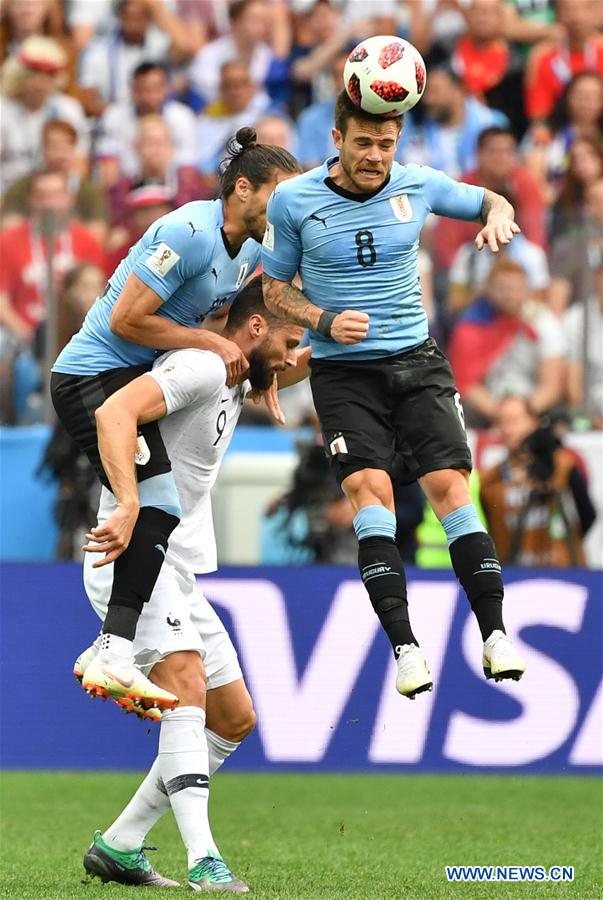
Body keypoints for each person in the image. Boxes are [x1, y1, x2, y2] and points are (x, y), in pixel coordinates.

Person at [261, 88, 526, 699]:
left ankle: (494, 634)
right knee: (370, 493)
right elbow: (274, 291)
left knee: (451, 490)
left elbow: (489, 197)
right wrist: (324, 321)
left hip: (416, 363)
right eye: (364, 143)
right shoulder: (295, 201)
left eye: (386, 144)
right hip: (344, 373)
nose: (376, 156)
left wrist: (498, 212)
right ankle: (405, 648)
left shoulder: (419, 184)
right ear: (336, 141)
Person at [50, 130, 301, 711]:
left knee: (165, 506)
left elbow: (267, 325)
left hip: (133, 377)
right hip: (90, 378)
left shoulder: (251, 252)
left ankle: (111, 647)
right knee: (153, 503)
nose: (284, 212)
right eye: (278, 197)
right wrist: (206, 344)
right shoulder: (186, 232)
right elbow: (125, 321)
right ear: (243, 189)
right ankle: (113, 648)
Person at [76, 277, 307, 891]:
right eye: (288, 341)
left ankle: (120, 845)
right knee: (184, 685)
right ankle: (204, 860)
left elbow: (291, 366)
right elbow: (115, 411)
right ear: (253, 329)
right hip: (134, 557)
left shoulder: (238, 368)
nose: (288, 359)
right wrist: (126, 501)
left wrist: (349, 344)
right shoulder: (204, 365)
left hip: (177, 569)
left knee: (232, 720)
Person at [479, 395, 596, 566]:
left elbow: (588, 515)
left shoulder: (563, 466)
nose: (508, 429)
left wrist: (566, 549)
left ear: (533, 422)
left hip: (562, 573)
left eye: (515, 421)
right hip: (512, 575)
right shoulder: (490, 480)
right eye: (502, 422)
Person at [448, 259, 566, 427]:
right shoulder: (470, 326)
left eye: (515, 288)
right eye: (502, 289)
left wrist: (522, 414)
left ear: (527, 290)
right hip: (486, 414)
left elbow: (551, 386)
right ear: (488, 290)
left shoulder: (544, 322)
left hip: (534, 411)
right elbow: (466, 384)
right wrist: (502, 414)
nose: (509, 295)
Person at [0, 170, 105, 343]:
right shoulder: (8, 241)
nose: (49, 203)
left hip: (77, 335)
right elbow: (2, 302)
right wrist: (27, 337)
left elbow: (98, 296)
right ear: (30, 199)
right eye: (41, 196)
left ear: (69, 198)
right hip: (23, 334)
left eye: (56, 195)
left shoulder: (87, 241)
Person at [95, 61, 199, 189]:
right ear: (132, 91)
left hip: (172, 188)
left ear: (167, 89)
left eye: (155, 88)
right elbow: (108, 168)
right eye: (143, 89)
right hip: (127, 188)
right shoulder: (114, 115)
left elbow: (188, 169)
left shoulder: (183, 116)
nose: (149, 96)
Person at [1, 119, 108, 241]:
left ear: (74, 149)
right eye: (54, 147)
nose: (60, 155)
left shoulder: (89, 193)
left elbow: (97, 238)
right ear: (44, 148)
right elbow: (8, 232)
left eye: (66, 147)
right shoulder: (22, 188)